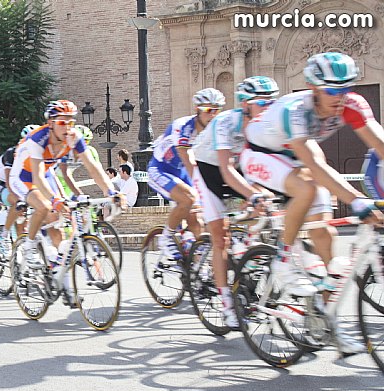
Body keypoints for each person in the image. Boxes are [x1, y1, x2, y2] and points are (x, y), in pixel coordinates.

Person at [242, 52, 384, 355]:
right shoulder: (296, 109)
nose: (339, 97)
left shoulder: (352, 103)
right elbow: (316, 165)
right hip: (259, 154)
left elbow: (381, 145)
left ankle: (322, 318)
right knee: (305, 189)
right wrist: (358, 201)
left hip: (295, 157)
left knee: (325, 234)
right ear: (313, 87)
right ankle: (282, 260)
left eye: (345, 89)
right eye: (332, 90)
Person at [8, 100, 122, 305]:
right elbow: (37, 177)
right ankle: (29, 246)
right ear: (51, 123)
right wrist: (55, 200)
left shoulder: (73, 137)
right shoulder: (37, 139)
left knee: (59, 232)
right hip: (24, 177)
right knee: (44, 206)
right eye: (62, 122)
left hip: (45, 173)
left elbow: (92, 166)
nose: (68, 127)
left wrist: (111, 191)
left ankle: (64, 284)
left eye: (71, 122)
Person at [191, 76, 280, 328]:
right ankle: (226, 303)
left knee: (264, 206)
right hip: (209, 169)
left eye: (271, 103)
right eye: (262, 103)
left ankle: (246, 256)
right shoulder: (225, 122)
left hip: (237, 168)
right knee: (221, 238)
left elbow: (265, 165)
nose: (268, 108)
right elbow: (226, 170)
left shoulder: (265, 126)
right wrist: (252, 194)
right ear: (245, 105)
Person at [147, 88, 225, 261]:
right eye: (208, 110)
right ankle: (166, 238)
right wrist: (201, 190)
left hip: (182, 172)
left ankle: (198, 270)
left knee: (197, 222)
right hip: (160, 168)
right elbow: (186, 156)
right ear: (198, 110)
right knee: (188, 198)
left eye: (216, 110)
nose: (212, 115)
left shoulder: (214, 130)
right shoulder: (184, 126)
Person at [0, 124, 39, 257]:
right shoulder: (11, 154)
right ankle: (4, 236)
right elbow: (9, 181)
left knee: (26, 213)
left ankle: (21, 247)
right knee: (17, 202)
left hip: (17, 183)